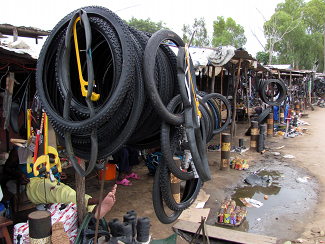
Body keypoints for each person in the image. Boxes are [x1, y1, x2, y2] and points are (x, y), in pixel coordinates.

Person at [4, 146, 116, 219]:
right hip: (32, 184)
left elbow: (49, 166)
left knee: (67, 192)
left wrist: (57, 173)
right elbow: (6, 169)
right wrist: (18, 174)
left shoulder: (43, 146)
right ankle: (96, 200)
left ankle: (94, 211)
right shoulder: (17, 151)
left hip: (49, 179)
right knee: (60, 192)